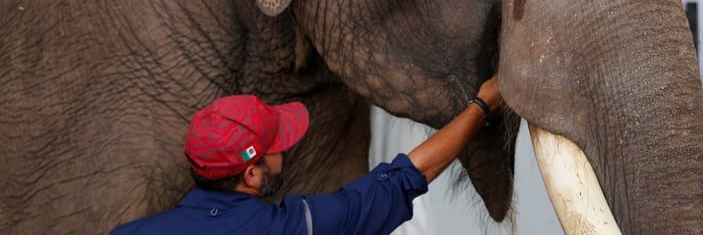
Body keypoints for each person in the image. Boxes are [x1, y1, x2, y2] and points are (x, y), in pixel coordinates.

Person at [110, 77, 502, 235]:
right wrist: (482, 105)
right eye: (275, 147)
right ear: (251, 175)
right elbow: (404, 178)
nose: (285, 150)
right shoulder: (279, 229)